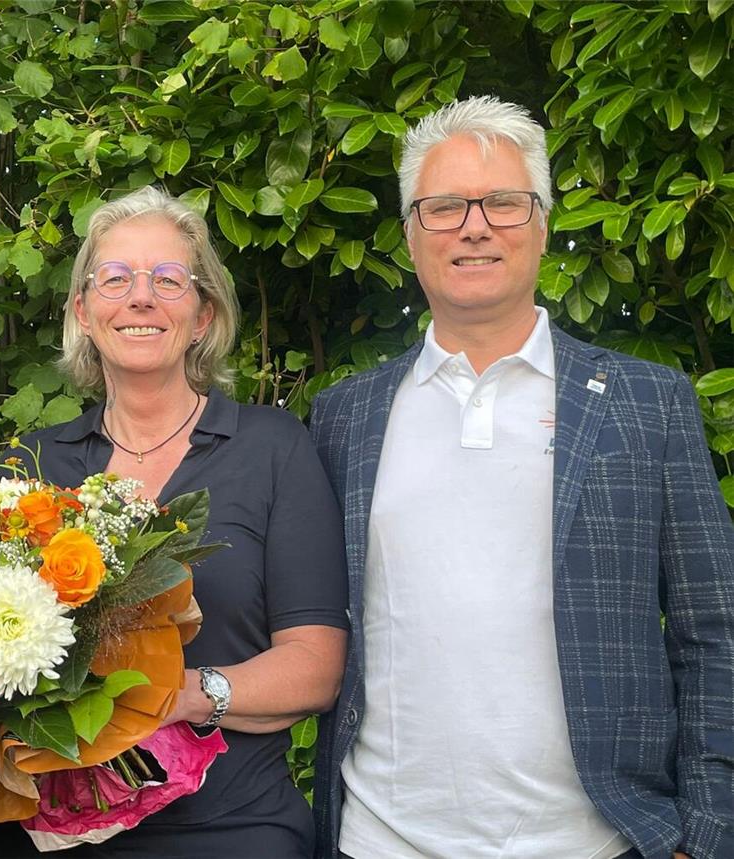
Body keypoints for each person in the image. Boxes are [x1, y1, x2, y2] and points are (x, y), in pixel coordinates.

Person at [310, 96, 734, 859]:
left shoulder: (649, 403)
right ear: (410, 235)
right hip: (379, 839)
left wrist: (705, 833)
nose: (474, 226)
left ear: (541, 224)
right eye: (444, 207)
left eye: (503, 202)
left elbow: (716, 633)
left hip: (597, 842)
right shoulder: (346, 416)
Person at [0, 186, 349, 858]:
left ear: (204, 314)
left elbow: (315, 666)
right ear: (84, 312)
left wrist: (177, 695)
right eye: (115, 278)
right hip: (50, 832)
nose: (141, 297)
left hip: (229, 829)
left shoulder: (273, 449)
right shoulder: (29, 466)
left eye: (168, 279)